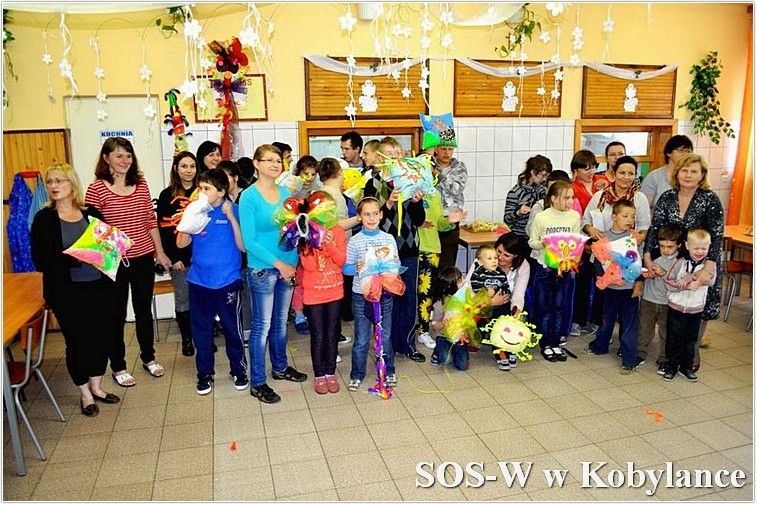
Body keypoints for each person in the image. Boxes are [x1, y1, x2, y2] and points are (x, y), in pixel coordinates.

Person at [31, 163, 121, 416]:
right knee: (77, 342)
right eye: (50, 181)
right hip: (66, 293)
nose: (54, 186)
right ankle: (85, 394)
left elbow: (107, 249)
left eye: (59, 180)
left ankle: (97, 387)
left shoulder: (91, 212)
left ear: (72, 184)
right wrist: (76, 255)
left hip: (99, 288)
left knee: (101, 338)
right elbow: (40, 259)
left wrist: (115, 246)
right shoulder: (44, 218)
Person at [85, 136, 172, 388]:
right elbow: (93, 229)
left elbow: (150, 221)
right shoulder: (96, 188)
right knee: (116, 315)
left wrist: (159, 252)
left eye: (128, 155)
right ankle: (119, 365)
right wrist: (113, 249)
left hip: (143, 258)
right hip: (114, 262)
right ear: (106, 158)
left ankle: (148, 357)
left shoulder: (141, 184)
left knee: (144, 310)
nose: (125, 160)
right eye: (119, 155)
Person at [239, 144, 308, 404]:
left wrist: (293, 263)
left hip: (287, 267)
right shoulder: (249, 197)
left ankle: (280, 368)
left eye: (278, 160)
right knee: (262, 326)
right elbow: (249, 241)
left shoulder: (285, 193)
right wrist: (279, 264)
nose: (274, 164)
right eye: (268, 160)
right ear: (256, 164)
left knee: (280, 323)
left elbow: (292, 231)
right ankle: (257, 382)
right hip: (263, 269)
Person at [644, 152, 723, 373]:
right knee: (675, 308)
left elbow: (717, 236)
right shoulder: (667, 197)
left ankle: (692, 353)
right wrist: (648, 257)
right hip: (672, 262)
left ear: (702, 175)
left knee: (697, 309)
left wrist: (708, 267)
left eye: (694, 171)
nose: (688, 175)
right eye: (684, 170)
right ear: (677, 173)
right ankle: (671, 357)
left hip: (702, 262)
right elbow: (655, 229)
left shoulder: (710, 199)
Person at [176, 169, 248, 395]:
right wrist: (190, 217)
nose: (202, 192)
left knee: (232, 330)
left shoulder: (234, 210)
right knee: (201, 331)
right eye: (201, 188)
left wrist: (231, 218)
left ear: (222, 191)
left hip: (227, 282)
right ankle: (204, 374)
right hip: (199, 282)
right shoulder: (198, 210)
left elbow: (243, 246)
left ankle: (238, 370)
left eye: (207, 188)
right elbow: (180, 244)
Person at [364, 137, 427, 363]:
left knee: (409, 299)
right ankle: (385, 346)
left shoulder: (412, 180)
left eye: (398, 153)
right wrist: (389, 203)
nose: (395, 157)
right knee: (385, 301)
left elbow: (419, 221)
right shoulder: (374, 184)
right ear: (380, 158)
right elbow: (371, 221)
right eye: (390, 153)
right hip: (383, 254)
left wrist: (417, 202)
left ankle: (407, 344)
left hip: (409, 250)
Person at [580, 155, 651, 340]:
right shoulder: (600, 195)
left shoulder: (639, 198)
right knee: (605, 300)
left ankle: (625, 341)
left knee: (627, 303)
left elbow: (645, 227)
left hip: (628, 259)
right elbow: (585, 220)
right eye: (622, 173)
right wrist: (591, 230)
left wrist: (639, 238)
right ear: (614, 173)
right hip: (603, 258)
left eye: (631, 173)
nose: (626, 177)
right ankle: (603, 337)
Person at [582, 200, 644, 374]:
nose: (630, 220)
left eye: (633, 217)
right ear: (614, 217)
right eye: (625, 216)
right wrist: (599, 277)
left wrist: (638, 283)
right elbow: (597, 261)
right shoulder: (604, 238)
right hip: (609, 288)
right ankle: (600, 346)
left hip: (628, 288)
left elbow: (638, 262)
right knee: (606, 320)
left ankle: (629, 359)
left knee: (629, 324)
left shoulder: (633, 237)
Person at [343, 197, 399, 391]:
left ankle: (389, 370)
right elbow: (346, 269)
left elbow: (396, 264)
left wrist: (390, 266)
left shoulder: (388, 238)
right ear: (359, 217)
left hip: (384, 294)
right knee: (361, 339)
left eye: (375, 213)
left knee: (385, 336)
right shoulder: (354, 241)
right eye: (367, 214)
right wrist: (356, 267)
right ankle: (357, 374)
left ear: (381, 215)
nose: (372, 218)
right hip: (361, 295)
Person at [298, 193, 347, 394]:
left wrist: (329, 243)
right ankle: (319, 374)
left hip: (335, 292)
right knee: (318, 336)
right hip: (314, 295)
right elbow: (309, 266)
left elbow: (341, 260)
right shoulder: (305, 232)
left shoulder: (338, 230)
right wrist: (313, 240)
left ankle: (330, 372)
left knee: (332, 334)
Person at [528, 181, 581, 363]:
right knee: (544, 307)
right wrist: (542, 243)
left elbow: (575, 241)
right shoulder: (541, 217)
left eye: (572, 197)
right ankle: (545, 343)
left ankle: (555, 342)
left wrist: (573, 259)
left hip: (564, 268)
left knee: (559, 307)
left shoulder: (574, 216)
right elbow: (532, 242)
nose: (570, 201)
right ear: (553, 198)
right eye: (566, 198)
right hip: (545, 268)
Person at [156, 151, 199, 357]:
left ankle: (203, 338)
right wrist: (173, 259)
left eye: (192, 166)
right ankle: (187, 340)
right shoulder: (167, 195)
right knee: (183, 299)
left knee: (202, 300)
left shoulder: (203, 193)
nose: (188, 170)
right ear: (176, 169)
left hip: (201, 256)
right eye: (184, 166)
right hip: (179, 258)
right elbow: (163, 230)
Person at [415, 173, 465, 350]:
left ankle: (423, 330)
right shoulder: (407, 193)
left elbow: (438, 224)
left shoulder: (434, 194)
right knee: (409, 293)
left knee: (427, 293)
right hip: (410, 249)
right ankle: (407, 328)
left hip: (431, 249)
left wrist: (449, 221)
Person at [661, 228, 717, 382]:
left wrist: (691, 278)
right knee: (674, 338)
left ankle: (686, 367)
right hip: (676, 308)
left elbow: (710, 280)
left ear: (709, 247)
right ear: (687, 245)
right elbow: (668, 282)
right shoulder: (679, 263)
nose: (700, 252)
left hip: (695, 309)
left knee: (691, 340)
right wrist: (684, 286)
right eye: (696, 248)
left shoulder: (708, 267)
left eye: (704, 248)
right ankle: (671, 366)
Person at [637, 224, 683, 374]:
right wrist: (647, 274)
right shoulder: (653, 256)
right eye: (662, 246)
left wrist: (664, 274)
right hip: (649, 299)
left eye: (670, 247)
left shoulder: (681, 261)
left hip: (668, 302)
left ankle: (664, 358)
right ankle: (640, 353)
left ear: (679, 245)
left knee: (666, 332)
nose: (665, 250)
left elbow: (679, 282)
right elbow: (643, 271)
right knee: (644, 329)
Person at [490, 232, 531, 370]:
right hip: (484, 303)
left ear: (516, 256)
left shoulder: (523, 266)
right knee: (498, 317)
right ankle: (500, 351)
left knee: (517, 319)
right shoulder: (485, 259)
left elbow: (519, 295)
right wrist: (490, 302)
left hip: (508, 302)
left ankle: (510, 347)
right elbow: (469, 289)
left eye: (506, 255)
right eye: (498, 251)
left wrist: (516, 311)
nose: (500, 257)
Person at [503, 154, 552, 248]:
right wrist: (518, 212)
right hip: (521, 237)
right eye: (543, 175)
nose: (544, 179)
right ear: (533, 172)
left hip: (539, 235)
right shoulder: (515, 192)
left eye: (546, 176)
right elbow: (507, 219)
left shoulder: (542, 189)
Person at [434, 144, 468, 272]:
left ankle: (447, 284)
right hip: (432, 219)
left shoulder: (459, 167)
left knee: (448, 262)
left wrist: (438, 175)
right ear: (436, 149)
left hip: (451, 218)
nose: (446, 152)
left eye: (450, 149)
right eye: (443, 149)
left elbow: (456, 189)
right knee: (431, 263)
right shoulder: (429, 165)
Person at [429, 267, 469, 370]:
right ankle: (437, 352)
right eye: (459, 280)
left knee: (462, 366)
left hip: (460, 336)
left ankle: (458, 352)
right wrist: (443, 323)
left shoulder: (464, 298)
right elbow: (434, 325)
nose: (464, 281)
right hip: (444, 336)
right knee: (445, 359)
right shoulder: (440, 304)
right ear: (451, 287)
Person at [641, 135, 694, 212]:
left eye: (688, 151)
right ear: (668, 153)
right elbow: (643, 209)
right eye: (681, 150)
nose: (685, 154)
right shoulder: (654, 177)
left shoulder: (693, 177)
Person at [525, 170, 582, 237]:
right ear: (546, 190)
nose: (554, 192)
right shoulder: (540, 206)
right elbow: (530, 231)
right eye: (551, 188)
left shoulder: (574, 205)